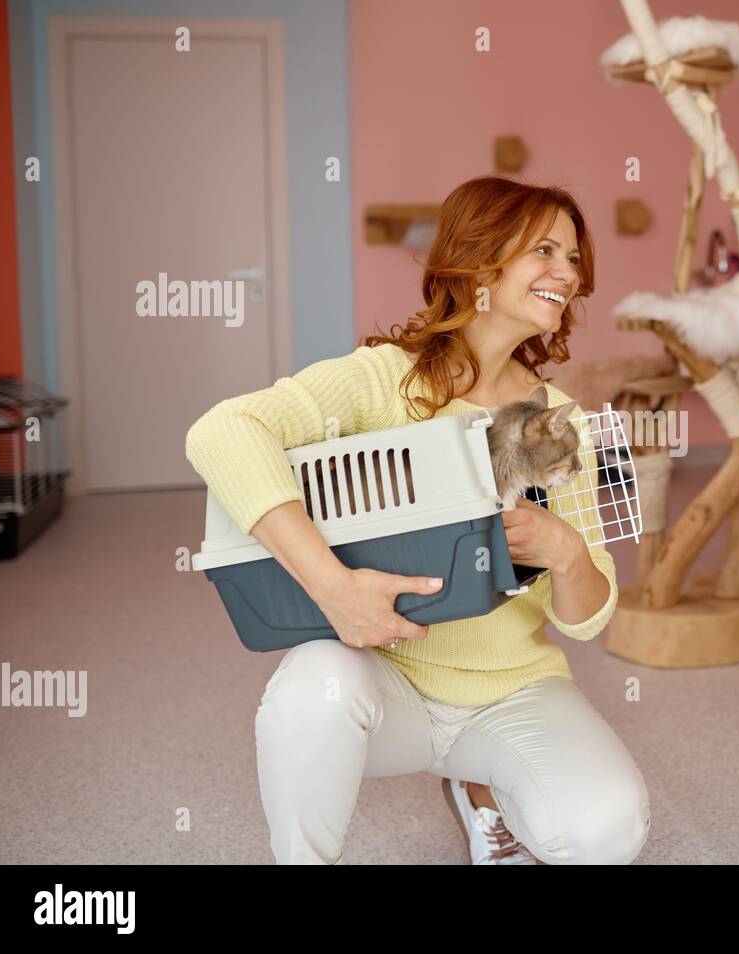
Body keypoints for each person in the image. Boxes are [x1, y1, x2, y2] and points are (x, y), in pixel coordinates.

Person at [186, 176, 651, 864]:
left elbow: (588, 616)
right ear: (482, 261)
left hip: (512, 691)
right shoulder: (384, 381)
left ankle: (478, 789)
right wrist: (332, 588)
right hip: (385, 680)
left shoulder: (556, 423)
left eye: (575, 259)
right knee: (312, 686)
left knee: (607, 833)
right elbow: (223, 431)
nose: (569, 273)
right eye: (546, 250)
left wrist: (568, 553)